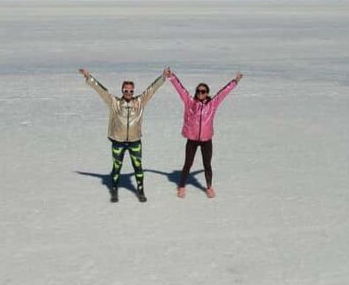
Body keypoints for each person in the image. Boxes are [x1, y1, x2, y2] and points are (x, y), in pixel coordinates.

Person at [79, 68, 168, 202]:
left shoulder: (139, 102)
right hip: (118, 141)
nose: (128, 93)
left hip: (135, 141)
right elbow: (101, 90)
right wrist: (88, 77)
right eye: (126, 90)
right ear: (122, 91)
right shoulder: (114, 102)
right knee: (116, 166)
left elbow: (151, 89)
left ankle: (140, 190)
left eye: (131, 91)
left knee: (138, 166)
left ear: (133, 91)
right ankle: (114, 189)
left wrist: (163, 77)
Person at [166, 69, 243, 198]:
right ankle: (181, 186)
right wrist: (171, 76)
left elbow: (224, 92)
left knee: (207, 164)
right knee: (187, 163)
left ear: (207, 93)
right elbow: (180, 89)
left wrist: (235, 81)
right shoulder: (190, 102)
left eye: (203, 92)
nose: (200, 94)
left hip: (206, 139)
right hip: (192, 138)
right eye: (198, 91)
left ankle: (209, 187)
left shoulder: (212, 104)